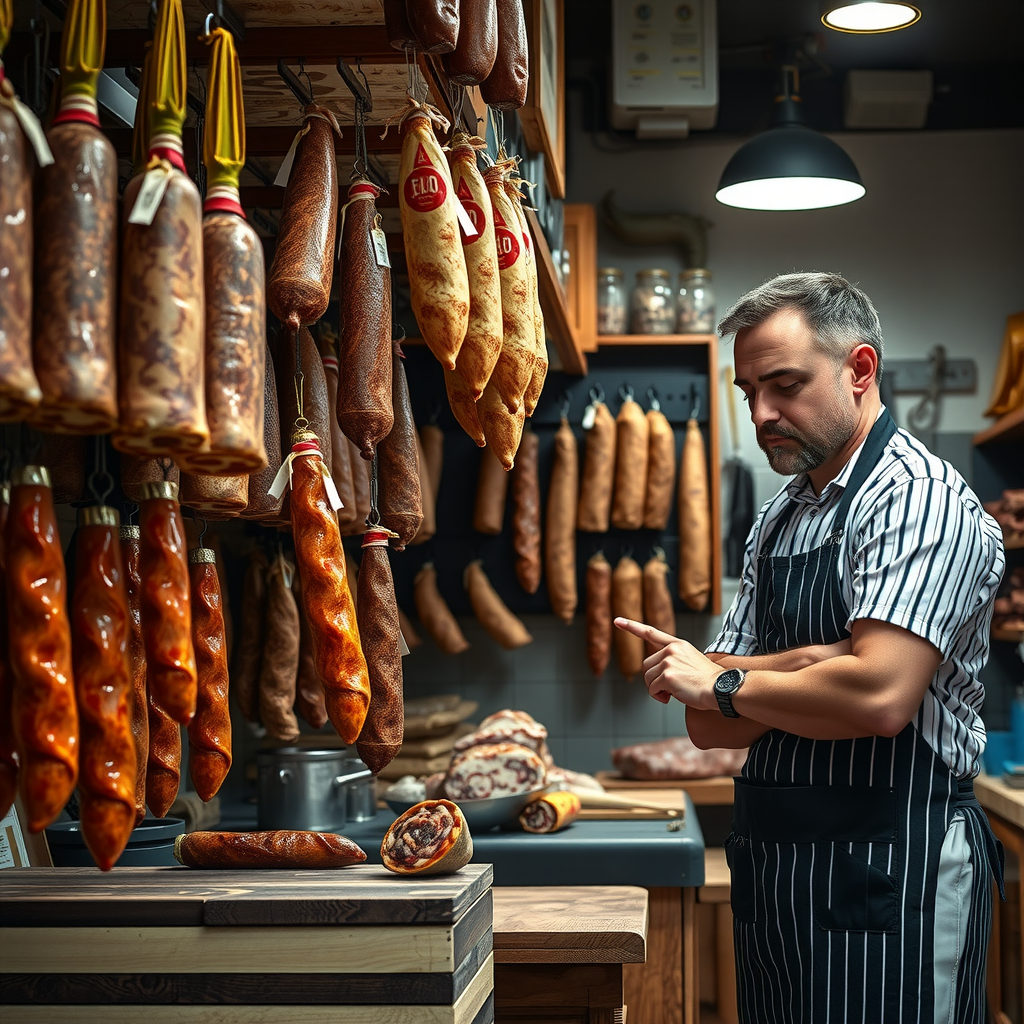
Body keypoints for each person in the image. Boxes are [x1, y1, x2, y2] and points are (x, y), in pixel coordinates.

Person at [615, 272, 1005, 1024]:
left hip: (895, 868)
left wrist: (728, 680)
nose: (762, 414)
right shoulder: (779, 518)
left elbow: (880, 698)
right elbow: (706, 728)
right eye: (748, 391)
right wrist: (805, 664)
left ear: (860, 370)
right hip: (780, 876)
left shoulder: (917, 496)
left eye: (785, 386)